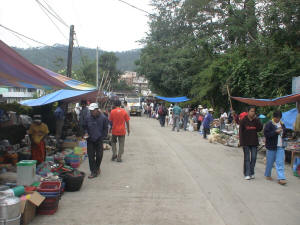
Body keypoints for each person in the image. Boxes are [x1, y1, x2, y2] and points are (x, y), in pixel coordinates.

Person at [83, 103, 109, 179]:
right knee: (91, 156)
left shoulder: (103, 118)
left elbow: (105, 128)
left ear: (97, 110)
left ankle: (97, 167)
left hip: (99, 139)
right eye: (90, 111)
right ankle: (93, 172)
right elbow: (84, 126)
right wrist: (86, 132)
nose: (91, 112)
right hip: (90, 139)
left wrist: (103, 136)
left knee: (99, 155)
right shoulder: (88, 117)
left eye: (93, 111)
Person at [239, 106, 263, 180]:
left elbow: (259, 129)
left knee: (254, 158)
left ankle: (252, 172)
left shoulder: (256, 120)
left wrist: (258, 120)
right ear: (248, 112)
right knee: (247, 158)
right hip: (246, 142)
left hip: (254, 142)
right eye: (251, 111)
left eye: (254, 111)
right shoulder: (243, 120)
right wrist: (241, 142)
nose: (253, 113)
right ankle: (247, 173)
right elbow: (240, 132)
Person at [264, 111, 287, 185]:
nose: (278, 119)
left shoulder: (282, 124)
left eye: (279, 118)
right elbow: (266, 134)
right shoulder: (269, 124)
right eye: (277, 118)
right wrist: (275, 132)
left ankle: (281, 178)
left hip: (280, 146)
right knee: (270, 162)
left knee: (280, 162)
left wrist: (283, 132)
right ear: (274, 117)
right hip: (271, 146)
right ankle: (267, 174)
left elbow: (285, 133)